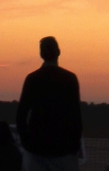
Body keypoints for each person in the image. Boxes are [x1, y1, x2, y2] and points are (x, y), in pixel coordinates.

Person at [16, 37, 82, 171]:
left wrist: (27, 142)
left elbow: (21, 115)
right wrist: (74, 145)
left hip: (37, 148)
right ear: (58, 52)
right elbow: (76, 115)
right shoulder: (70, 79)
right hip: (63, 148)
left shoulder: (32, 79)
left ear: (41, 54)